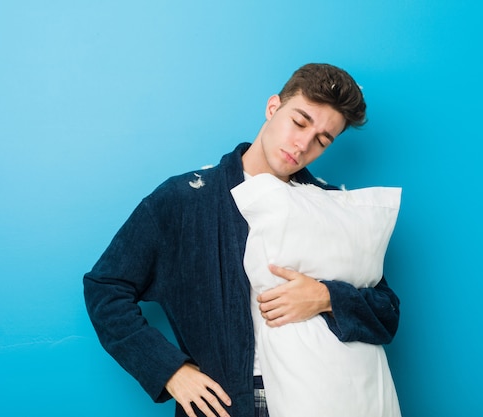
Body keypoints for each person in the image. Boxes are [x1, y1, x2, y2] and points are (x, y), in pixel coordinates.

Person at [83, 63, 401, 417]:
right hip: (230, 403)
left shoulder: (328, 205)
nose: (303, 144)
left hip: (330, 397)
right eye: (299, 122)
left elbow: (387, 311)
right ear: (273, 108)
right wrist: (170, 370)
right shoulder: (185, 200)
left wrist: (326, 297)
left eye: (323, 140)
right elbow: (105, 288)